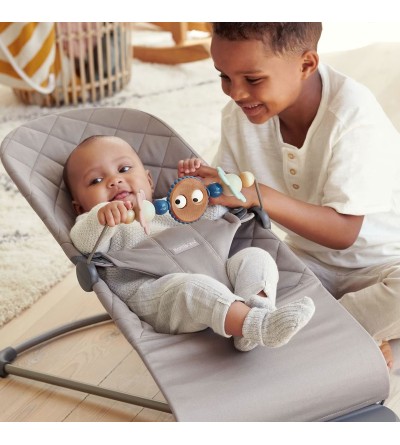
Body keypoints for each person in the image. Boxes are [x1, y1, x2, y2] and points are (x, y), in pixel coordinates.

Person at [201, 22, 400, 368]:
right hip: (305, 263)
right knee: (229, 277)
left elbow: (343, 232)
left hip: (383, 264)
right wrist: (206, 196)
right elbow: (232, 208)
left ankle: (334, 335)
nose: (236, 93)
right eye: (224, 77)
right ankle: (348, 335)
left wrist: (258, 194)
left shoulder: (352, 116)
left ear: (306, 64)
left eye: (252, 79)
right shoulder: (239, 116)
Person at [63, 135, 315, 352]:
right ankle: (259, 326)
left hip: (216, 272)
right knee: (193, 288)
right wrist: (99, 216)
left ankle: (257, 311)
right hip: (157, 294)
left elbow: (217, 212)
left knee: (256, 257)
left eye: (124, 169)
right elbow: (83, 242)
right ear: (79, 207)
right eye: (95, 181)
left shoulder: (172, 207)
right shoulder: (101, 225)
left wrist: (201, 188)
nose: (114, 181)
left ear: (149, 181)